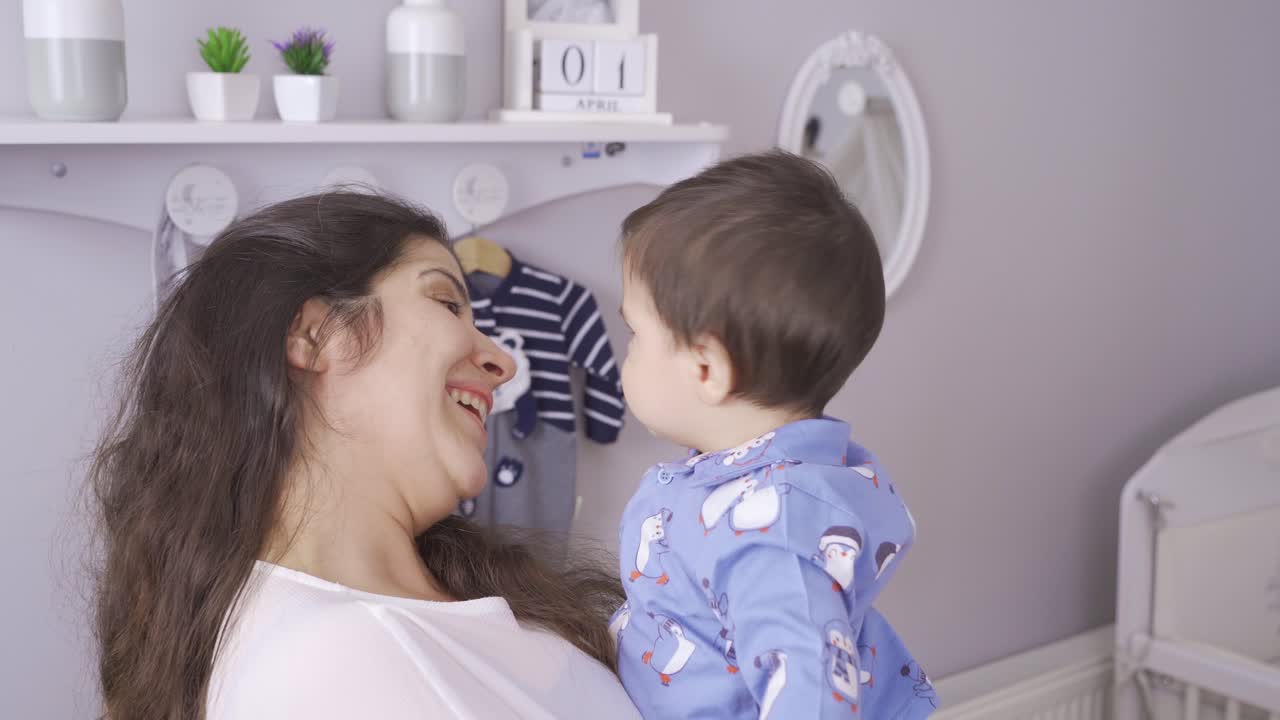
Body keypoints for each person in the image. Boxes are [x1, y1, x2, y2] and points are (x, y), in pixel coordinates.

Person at [88, 192, 641, 719]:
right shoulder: (334, 658)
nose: (502, 361)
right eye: (447, 303)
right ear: (316, 333)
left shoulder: (432, 604)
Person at [610, 151, 938, 718]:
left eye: (634, 333)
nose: (627, 354)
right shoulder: (732, 479)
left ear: (706, 369)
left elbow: (812, 696)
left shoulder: (771, 532)